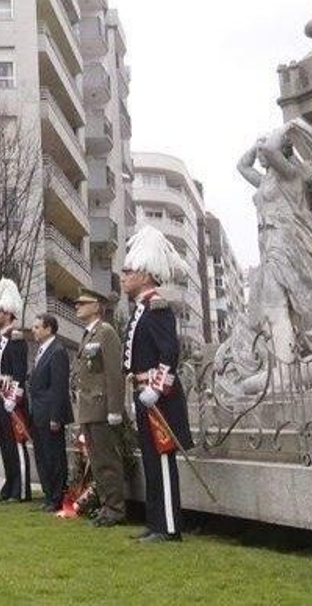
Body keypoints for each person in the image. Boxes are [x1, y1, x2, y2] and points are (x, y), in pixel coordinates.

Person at [122, 226, 196, 544]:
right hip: (144, 395)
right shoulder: (141, 309)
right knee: (152, 461)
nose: (123, 277)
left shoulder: (157, 307)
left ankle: (169, 527)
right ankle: (156, 522)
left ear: (145, 274)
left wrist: (156, 387)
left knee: (163, 462)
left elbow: (169, 353)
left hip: (158, 398)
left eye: (128, 271)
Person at [73, 294, 129, 528]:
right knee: (97, 462)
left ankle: (115, 509)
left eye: (82, 303)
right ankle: (106, 507)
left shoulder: (105, 332)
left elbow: (114, 373)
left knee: (107, 461)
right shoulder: (88, 335)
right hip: (88, 407)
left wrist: (115, 408)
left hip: (102, 407)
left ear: (97, 307)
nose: (77, 306)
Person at [0, 291, 32, 502]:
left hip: (11, 400)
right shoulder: (1, 339)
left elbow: (19, 373)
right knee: (5, 444)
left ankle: (21, 489)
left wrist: (14, 398)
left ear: (7, 313)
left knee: (16, 443)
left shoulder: (15, 338)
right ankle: (10, 483)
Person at [27, 313, 73, 512]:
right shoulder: (42, 350)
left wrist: (56, 416)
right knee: (42, 456)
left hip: (50, 414)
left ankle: (57, 497)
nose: (33, 330)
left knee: (53, 457)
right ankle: (48, 496)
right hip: (38, 413)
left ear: (48, 328)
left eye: (37, 327)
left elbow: (59, 387)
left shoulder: (57, 351)